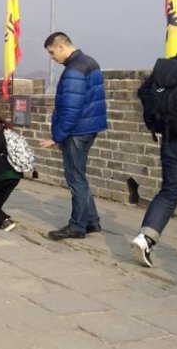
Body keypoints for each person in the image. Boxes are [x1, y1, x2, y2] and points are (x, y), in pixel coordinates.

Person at [40, 32, 107, 240]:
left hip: (77, 131)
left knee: (75, 179)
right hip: (89, 127)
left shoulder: (74, 70)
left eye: (52, 52)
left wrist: (57, 137)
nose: (52, 57)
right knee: (80, 176)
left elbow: (71, 108)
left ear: (61, 47)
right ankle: (92, 221)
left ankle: (77, 226)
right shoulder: (90, 62)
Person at [131, 46, 177, 267]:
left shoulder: (167, 68)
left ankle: (145, 238)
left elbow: (144, 92)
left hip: (171, 139)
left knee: (169, 192)